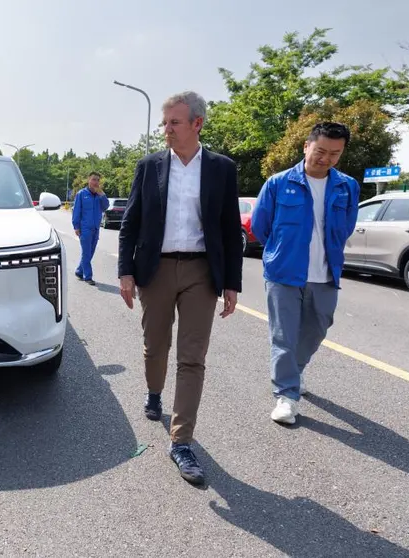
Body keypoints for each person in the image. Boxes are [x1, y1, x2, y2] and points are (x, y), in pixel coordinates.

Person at [117, 91, 243, 485]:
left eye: (174, 122)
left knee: (192, 357)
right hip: (155, 269)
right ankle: (154, 393)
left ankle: (182, 441)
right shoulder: (149, 166)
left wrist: (231, 283)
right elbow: (131, 222)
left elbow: (228, 227)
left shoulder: (222, 169)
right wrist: (126, 271)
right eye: (165, 123)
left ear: (197, 124)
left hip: (201, 272)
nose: (166, 129)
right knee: (156, 346)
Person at [250, 122, 360, 425]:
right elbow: (261, 227)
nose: (325, 158)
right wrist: (284, 249)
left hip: (325, 272)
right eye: (320, 151)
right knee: (284, 335)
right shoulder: (278, 182)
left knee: (319, 327)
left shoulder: (347, 186)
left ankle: (293, 372)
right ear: (306, 147)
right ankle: (286, 395)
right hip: (284, 271)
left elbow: (346, 225)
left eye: (334, 154)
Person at [72, 172, 109, 285]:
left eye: (97, 180)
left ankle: (79, 271)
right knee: (86, 253)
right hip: (85, 228)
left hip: (96, 229)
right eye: (93, 179)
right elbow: (76, 211)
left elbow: (106, 206)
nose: (95, 182)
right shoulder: (81, 194)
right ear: (89, 180)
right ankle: (88, 276)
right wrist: (76, 226)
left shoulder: (99, 195)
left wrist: (102, 194)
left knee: (90, 253)